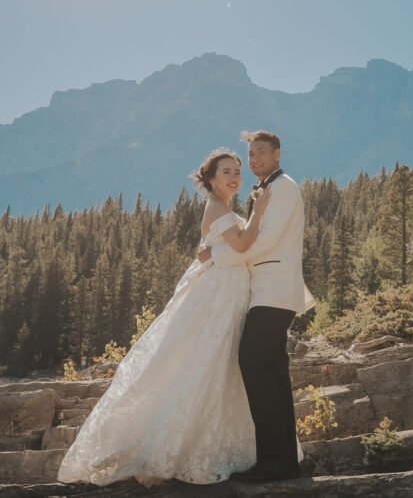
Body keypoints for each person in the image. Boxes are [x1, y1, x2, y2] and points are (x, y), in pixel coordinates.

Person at [57, 148, 276, 487]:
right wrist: (259, 212)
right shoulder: (218, 207)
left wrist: (220, 247)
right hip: (219, 293)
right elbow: (243, 244)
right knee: (208, 360)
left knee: (221, 363)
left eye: (237, 171)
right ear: (211, 178)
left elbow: (218, 248)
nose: (235, 177)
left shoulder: (221, 206)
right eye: (226, 172)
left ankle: (220, 442)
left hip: (230, 289)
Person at [198, 129, 317, 483]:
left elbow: (265, 242)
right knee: (274, 372)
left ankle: (273, 461)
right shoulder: (268, 188)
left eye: (261, 152)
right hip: (267, 291)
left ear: (277, 153)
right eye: (250, 154)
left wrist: (216, 255)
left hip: (274, 290)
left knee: (252, 361)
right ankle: (283, 462)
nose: (254, 160)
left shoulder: (283, 188)